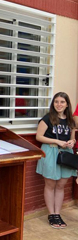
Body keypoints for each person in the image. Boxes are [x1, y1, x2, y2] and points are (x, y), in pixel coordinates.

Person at [36, 92, 77, 229]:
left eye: (62, 102)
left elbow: (72, 137)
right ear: (53, 104)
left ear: (67, 104)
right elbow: (39, 136)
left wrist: (71, 142)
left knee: (61, 185)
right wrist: (56, 141)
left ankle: (58, 213)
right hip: (51, 151)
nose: (59, 104)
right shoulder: (48, 118)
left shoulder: (70, 120)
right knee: (50, 184)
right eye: (56, 102)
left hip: (66, 154)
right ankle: (51, 214)